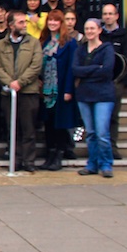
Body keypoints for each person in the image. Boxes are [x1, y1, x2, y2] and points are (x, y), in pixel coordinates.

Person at [0, 11, 43, 172]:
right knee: (12, 128)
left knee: (28, 129)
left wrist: (20, 82)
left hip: (28, 92)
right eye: (21, 22)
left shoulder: (33, 43)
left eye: (25, 22)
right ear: (11, 25)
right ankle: (16, 159)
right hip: (9, 93)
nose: (24, 25)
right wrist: (9, 83)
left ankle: (29, 161)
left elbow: (36, 66)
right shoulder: (2, 45)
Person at [73, 18, 117, 178]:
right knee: (90, 132)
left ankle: (106, 164)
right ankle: (92, 163)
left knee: (102, 133)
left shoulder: (107, 49)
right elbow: (75, 70)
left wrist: (87, 72)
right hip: (84, 94)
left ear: (99, 30)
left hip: (103, 95)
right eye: (87, 28)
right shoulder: (80, 49)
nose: (89, 31)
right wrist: (94, 69)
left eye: (92, 28)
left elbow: (107, 71)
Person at [39, 9, 77, 170]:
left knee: (60, 123)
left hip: (61, 88)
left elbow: (71, 68)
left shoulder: (69, 42)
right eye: (50, 20)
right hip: (46, 89)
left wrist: (68, 90)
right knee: (48, 123)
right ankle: (50, 153)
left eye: (56, 21)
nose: (52, 23)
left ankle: (59, 155)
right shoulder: (44, 40)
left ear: (61, 23)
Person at [100, 3, 127, 160]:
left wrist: (119, 78)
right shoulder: (99, 34)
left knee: (113, 116)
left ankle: (112, 146)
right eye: (105, 14)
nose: (107, 16)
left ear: (116, 16)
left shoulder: (124, 35)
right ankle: (100, 147)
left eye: (110, 14)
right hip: (99, 82)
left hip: (116, 82)